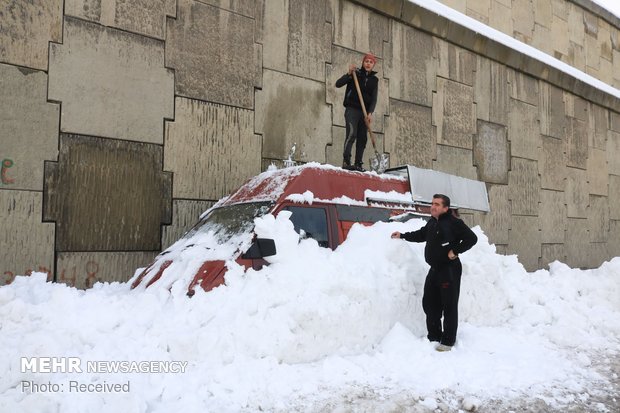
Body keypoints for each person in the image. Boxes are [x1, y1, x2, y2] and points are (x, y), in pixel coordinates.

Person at [391, 194, 477, 352]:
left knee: (449, 306)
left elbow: (471, 238)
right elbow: (421, 235)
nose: (433, 206)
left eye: (437, 204)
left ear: (445, 208)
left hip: (449, 269)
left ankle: (448, 341)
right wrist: (402, 235)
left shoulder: (453, 223)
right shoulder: (432, 223)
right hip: (435, 269)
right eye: (432, 203)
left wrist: (455, 251)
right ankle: (434, 336)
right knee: (430, 303)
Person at [335, 53, 379, 172]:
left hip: (364, 113)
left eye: (371, 62)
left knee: (362, 138)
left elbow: (374, 98)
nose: (368, 63)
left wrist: (370, 113)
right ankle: (346, 161)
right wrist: (349, 74)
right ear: (363, 63)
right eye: (366, 61)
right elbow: (338, 84)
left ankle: (358, 163)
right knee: (352, 133)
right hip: (352, 109)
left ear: (373, 65)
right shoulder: (355, 74)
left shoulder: (375, 80)